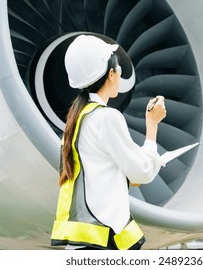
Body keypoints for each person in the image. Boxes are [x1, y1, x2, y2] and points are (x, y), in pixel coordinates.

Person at [50, 34, 167, 250]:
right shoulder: (106, 118)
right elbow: (142, 171)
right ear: (111, 74)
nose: (121, 73)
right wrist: (152, 125)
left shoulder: (75, 122)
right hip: (103, 243)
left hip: (83, 243)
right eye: (119, 68)